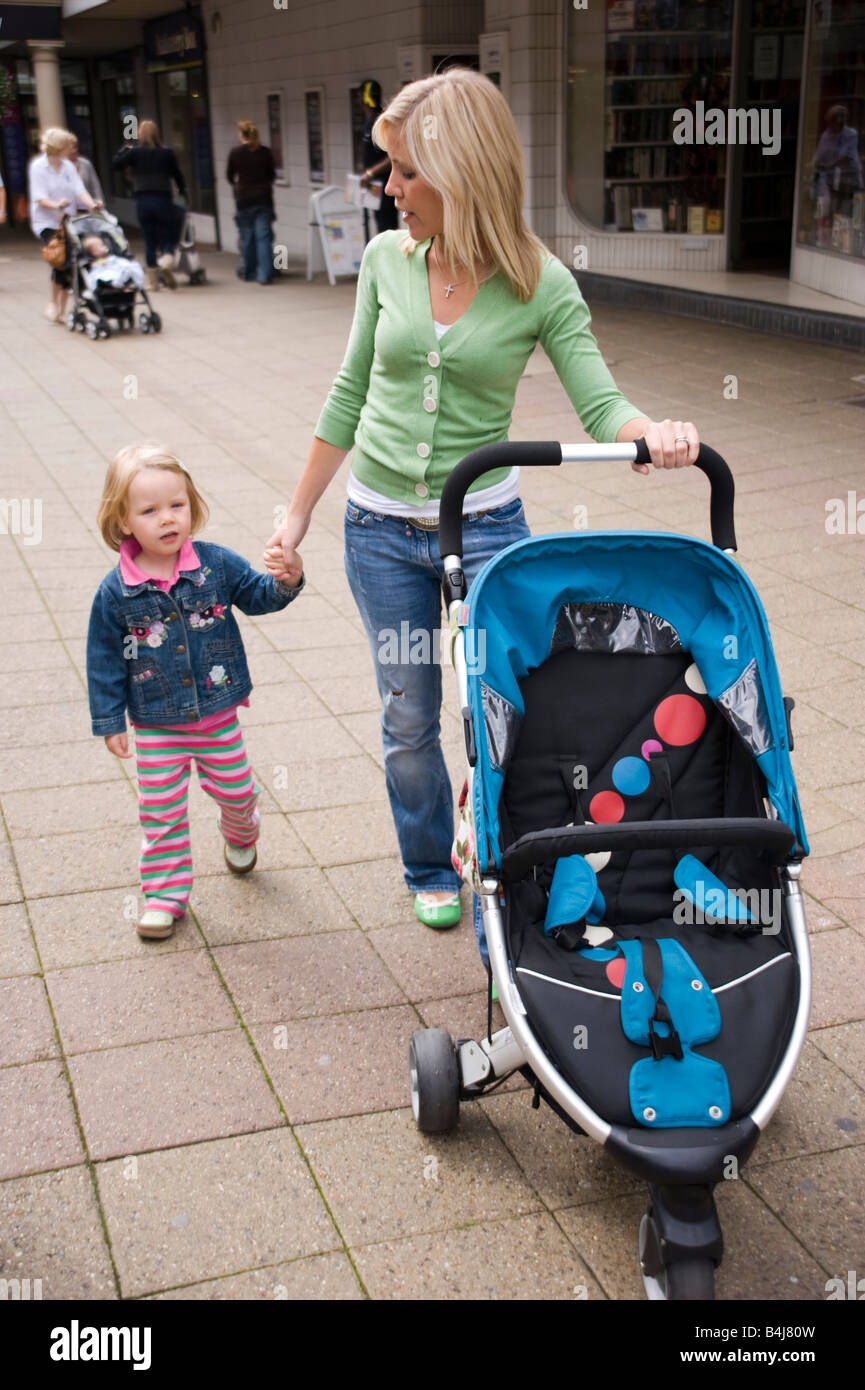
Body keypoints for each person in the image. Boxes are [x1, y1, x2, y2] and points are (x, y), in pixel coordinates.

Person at [263, 68, 700, 941]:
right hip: (379, 531)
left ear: (460, 172)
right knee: (409, 714)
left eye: (403, 171)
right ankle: (428, 864)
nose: (387, 189)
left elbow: (601, 404)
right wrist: (297, 513)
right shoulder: (387, 261)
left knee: (507, 705)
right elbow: (349, 391)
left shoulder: (539, 282)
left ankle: (506, 846)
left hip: (488, 528)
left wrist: (653, 432)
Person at [87, 443, 305, 940]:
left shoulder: (215, 565)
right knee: (160, 812)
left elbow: (258, 595)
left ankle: (241, 830)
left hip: (217, 717)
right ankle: (164, 896)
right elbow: (103, 660)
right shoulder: (116, 591)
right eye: (149, 510)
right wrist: (109, 720)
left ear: (191, 506)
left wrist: (286, 580)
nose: (167, 519)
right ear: (123, 521)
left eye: (176, 506)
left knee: (237, 792)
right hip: (157, 724)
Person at [29, 126, 101, 323]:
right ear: (58, 147)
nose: (71, 150)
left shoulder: (68, 166)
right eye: (68, 146)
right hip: (47, 222)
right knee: (60, 259)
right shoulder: (38, 167)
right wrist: (56, 204)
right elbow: (39, 197)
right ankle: (55, 305)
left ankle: (59, 307)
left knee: (70, 260)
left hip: (67, 220)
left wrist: (92, 204)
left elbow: (80, 190)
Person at [112, 121, 186, 291]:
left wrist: (125, 150)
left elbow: (116, 164)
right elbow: (177, 174)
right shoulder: (166, 153)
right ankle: (167, 259)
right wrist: (182, 190)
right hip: (163, 199)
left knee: (149, 239)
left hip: (143, 201)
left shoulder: (135, 153)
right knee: (168, 233)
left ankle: (153, 282)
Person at [226, 120, 276, 284]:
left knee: (247, 237)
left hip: (244, 199)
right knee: (263, 237)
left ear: (241, 134)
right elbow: (272, 176)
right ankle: (265, 274)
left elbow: (229, 176)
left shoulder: (235, 153)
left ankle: (249, 271)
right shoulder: (265, 152)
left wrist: (238, 186)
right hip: (263, 199)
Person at [358, 80, 398, 238]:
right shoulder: (369, 122)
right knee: (378, 228)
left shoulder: (380, 122)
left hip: (385, 186)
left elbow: (393, 156)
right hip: (374, 187)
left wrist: (370, 173)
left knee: (387, 230)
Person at [68, 134, 104, 205]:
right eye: (70, 149)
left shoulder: (85, 163)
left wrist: (99, 201)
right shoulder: (61, 166)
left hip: (88, 206)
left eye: (75, 147)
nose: (74, 151)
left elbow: (95, 186)